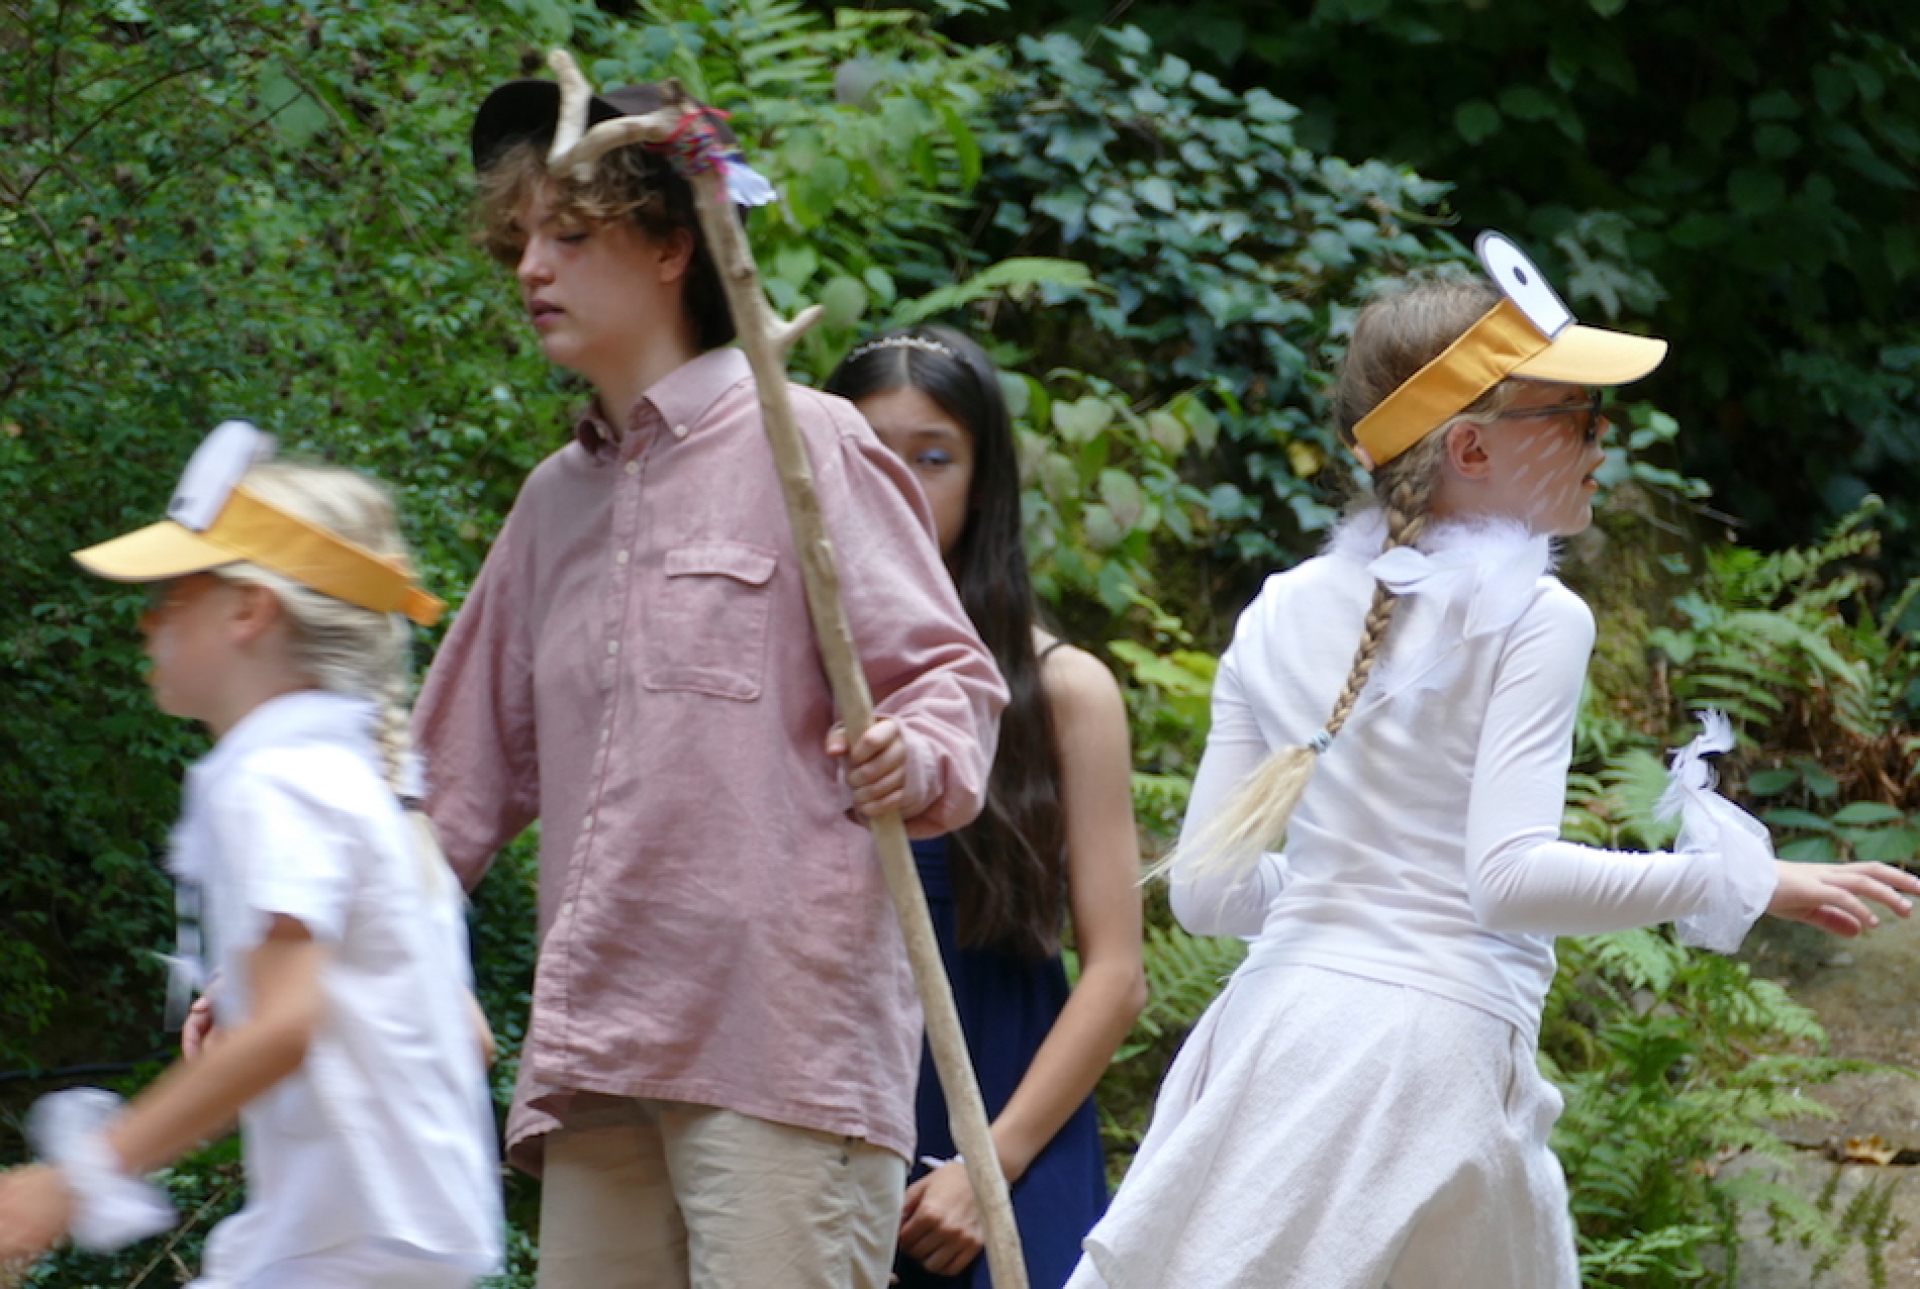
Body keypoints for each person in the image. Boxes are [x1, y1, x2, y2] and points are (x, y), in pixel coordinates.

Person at [1063, 233, 1920, 1289]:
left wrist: (1348, 900)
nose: (1605, 439)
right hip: (1425, 1066)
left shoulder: (1278, 608)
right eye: (1579, 416)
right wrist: (1748, 878)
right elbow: (1507, 879)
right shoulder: (1536, 615)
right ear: (1470, 449)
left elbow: (1206, 894)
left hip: (1269, 1045)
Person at [413, 62, 1006, 1289]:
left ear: (674, 245)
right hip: (596, 1055)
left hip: (779, 1044)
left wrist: (911, 752)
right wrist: (298, 949)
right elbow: (447, 783)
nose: (531, 269)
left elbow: (950, 678)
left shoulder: (810, 440)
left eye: (571, 236)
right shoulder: (553, 503)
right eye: (520, 240)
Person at [0, 421, 503, 1288]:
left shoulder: (270, 778)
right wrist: (264, 991)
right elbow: (466, 1035)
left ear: (247, 609)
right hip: (402, 1243)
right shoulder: (346, 777)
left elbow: (284, 1027)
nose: (147, 618)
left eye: (174, 592)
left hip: (336, 1253)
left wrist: (68, 1183)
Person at [825, 327, 1148, 1288]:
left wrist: (989, 1164)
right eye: (870, 455)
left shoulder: (1064, 691)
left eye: (934, 458)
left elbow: (1117, 973)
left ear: (984, 478)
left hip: (1009, 1127)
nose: (900, 485)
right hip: (824, 1114)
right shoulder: (788, 679)